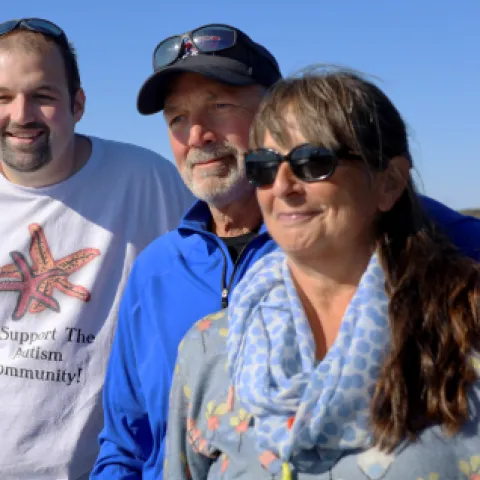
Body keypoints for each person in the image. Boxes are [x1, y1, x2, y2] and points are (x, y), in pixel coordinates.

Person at [92, 25, 480, 479]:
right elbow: (126, 441)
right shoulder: (156, 273)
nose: (196, 134)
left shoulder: (427, 253)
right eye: (177, 118)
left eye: (219, 105)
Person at [0, 18, 193, 480]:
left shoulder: (148, 181)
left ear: (78, 104)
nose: (21, 114)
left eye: (43, 96)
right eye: (2, 97)